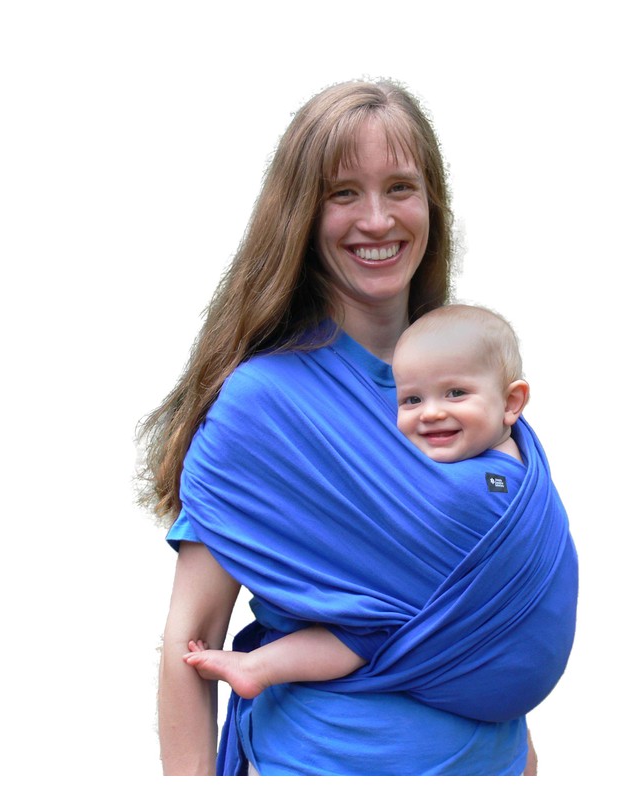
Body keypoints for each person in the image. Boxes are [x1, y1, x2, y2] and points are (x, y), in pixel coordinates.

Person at [141, 78, 578, 776]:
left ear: (432, 204)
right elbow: (190, 639)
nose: (376, 220)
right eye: (343, 193)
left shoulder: (465, 386)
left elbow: (492, 610)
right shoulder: (264, 405)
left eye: (400, 188)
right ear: (301, 214)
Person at [181, 303, 532, 697]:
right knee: (364, 627)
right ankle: (258, 668)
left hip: (465, 656)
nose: (431, 413)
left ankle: (258, 667)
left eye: (456, 393)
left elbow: (483, 522)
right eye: (411, 400)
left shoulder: (504, 479)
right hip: (393, 661)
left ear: (512, 402)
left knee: (368, 628)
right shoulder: (463, 458)